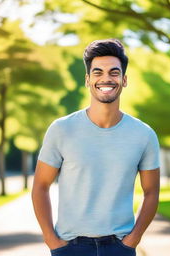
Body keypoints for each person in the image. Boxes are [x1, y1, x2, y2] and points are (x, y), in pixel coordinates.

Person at [32, 38, 160, 256]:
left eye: (114, 72)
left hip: (119, 247)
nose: (106, 79)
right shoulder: (62, 129)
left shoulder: (144, 134)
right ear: (88, 79)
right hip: (69, 247)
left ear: (124, 79)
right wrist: (50, 239)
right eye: (98, 72)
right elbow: (40, 186)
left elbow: (151, 191)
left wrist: (133, 239)